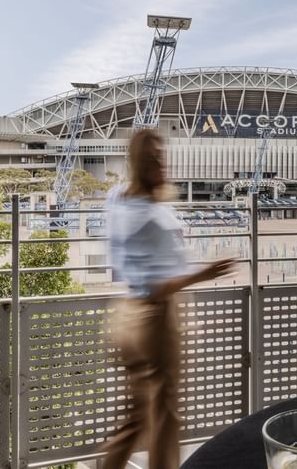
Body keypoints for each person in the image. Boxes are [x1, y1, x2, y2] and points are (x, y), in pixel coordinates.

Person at [102, 129, 236, 469]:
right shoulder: (146, 213)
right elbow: (154, 286)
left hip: (127, 315)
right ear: (141, 163)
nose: (162, 162)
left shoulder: (119, 198)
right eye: (155, 157)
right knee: (165, 418)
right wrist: (204, 274)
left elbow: (126, 265)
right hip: (155, 319)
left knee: (135, 417)